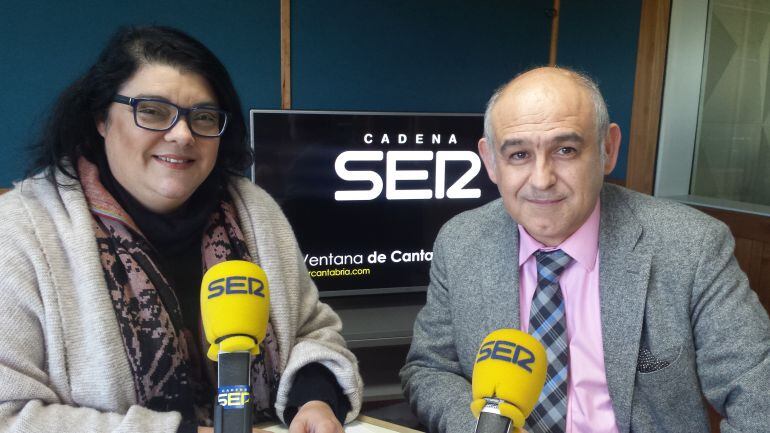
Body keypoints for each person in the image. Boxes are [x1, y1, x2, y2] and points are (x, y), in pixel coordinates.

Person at [0, 26, 362, 433]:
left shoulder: (254, 211)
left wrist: (313, 398)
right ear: (101, 118)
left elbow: (311, 331)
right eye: (153, 111)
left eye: (203, 117)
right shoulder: (21, 231)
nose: (183, 134)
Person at [400, 67, 770, 433]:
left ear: (608, 150)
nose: (542, 179)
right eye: (518, 155)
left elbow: (759, 392)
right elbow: (431, 369)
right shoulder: (461, 241)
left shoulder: (692, 246)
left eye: (565, 150)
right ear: (491, 161)